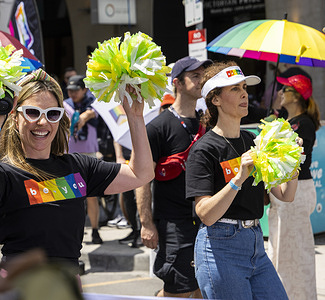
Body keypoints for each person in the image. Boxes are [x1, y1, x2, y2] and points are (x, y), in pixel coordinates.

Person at [0, 69, 154, 269]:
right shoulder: (4, 173)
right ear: (15, 117)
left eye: (52, 114)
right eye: (32, 112)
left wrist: (135, 117)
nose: (43, 122)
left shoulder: (79, 167)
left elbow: (141, 174)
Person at [186, 61, 298, 299]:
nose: (244, 93)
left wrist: (293, 162)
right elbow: (205, 213)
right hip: (220, 247)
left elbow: (285, 195)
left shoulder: (253, 140)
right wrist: (238, 178)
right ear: (215, 100)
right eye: (234, 88)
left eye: (245, 87)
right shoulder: (203, 149)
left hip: (255, 244)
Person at [136, 56, 211, 298]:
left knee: (201, 287)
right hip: (173, 223)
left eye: (203, 75)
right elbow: (142, 180)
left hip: (205, 220)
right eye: (195, 76)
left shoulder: (208, 123)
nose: (201, 80)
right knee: (177, 289)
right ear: (177, 83)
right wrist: (146, 224)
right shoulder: (157, 127)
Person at [268, 74, 319, 300]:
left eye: (284, 89)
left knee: (295, 255)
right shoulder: (286, 121)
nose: (279, 92)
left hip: (296, 193)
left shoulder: (304, 124)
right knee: (280, 252)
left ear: (296, 94)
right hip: (284, 193)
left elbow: (297, 160)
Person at [63, 74, 103, 244]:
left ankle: (95, 230)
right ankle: (74, 231)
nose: (72, 94)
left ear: (84, 89)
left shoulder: (94, 103)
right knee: (72, 194)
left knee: (92, 195)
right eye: (70, 90)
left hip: (89, 154)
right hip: (71, 154)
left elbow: (92, 113)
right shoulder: (65, 105)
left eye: (76, 90)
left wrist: (84, 116)